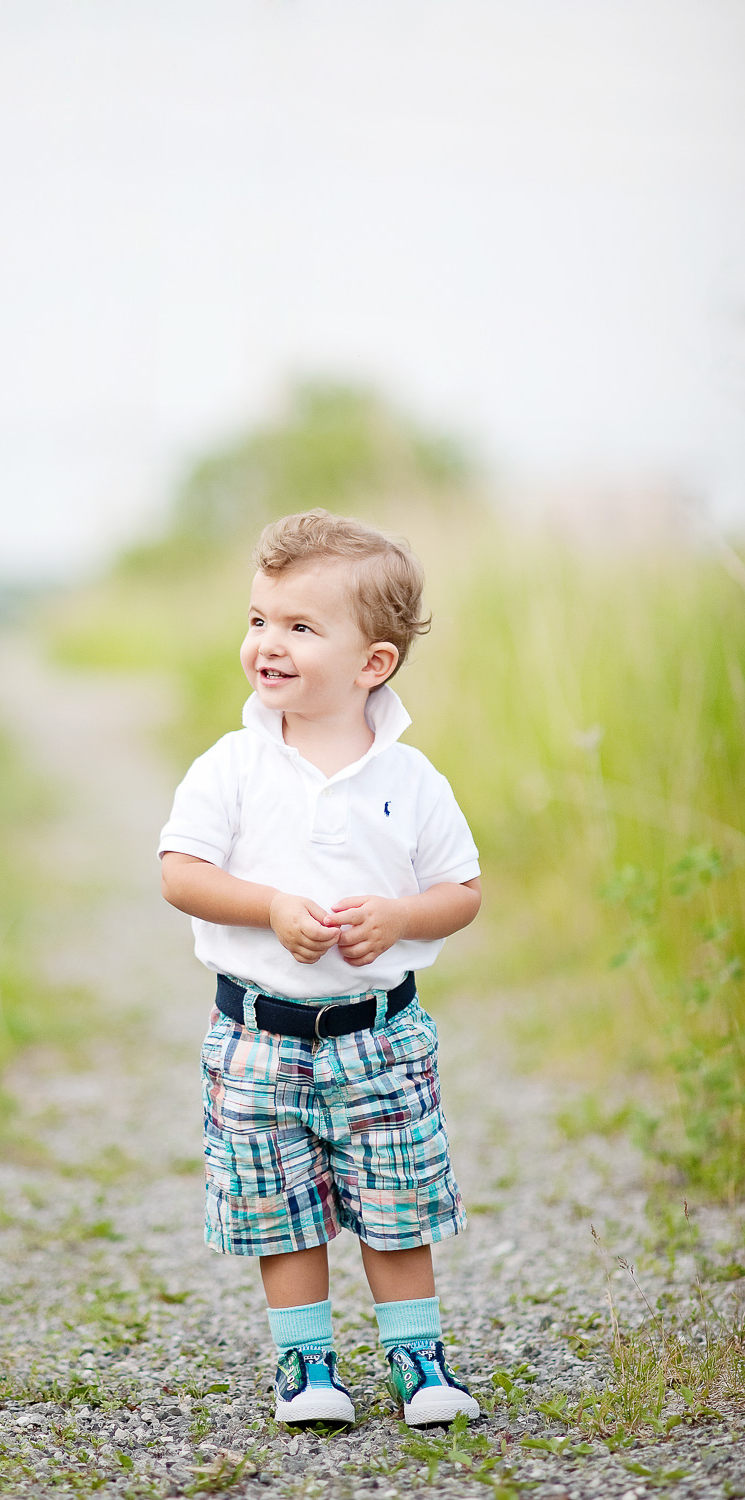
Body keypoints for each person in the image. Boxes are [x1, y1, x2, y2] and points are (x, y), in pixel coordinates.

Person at [158, 509, 481, 1428]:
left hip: (378, 1036)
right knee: (279, 1205)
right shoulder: (232, 766)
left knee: (397, 1200)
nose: (269, 644)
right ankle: (307, 1366)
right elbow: (181, 872)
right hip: (259, 1036)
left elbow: (461, 890)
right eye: (259, 620)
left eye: (301, 627)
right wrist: (268, 907)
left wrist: (400, 917)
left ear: (372, 663)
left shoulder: (411, 778)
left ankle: (417, 1358)